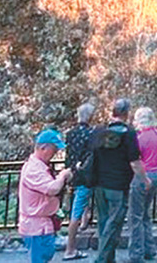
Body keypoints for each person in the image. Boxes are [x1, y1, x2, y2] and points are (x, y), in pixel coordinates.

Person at [92, 99, 149, 263]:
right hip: (118, 185)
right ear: (126, 113)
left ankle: (109, 259)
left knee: (104, 221)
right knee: (114, 224)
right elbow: (134, 161)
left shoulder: (99, 130)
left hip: (99, 185)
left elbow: (91, 153)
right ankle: (102, 259)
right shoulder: (129, 133)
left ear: (112, 112)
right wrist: (144, 179)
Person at [18, 129, 74, 263]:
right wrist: (63, 176)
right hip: (36, 228)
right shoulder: (33, 169)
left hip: (42, 226)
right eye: (54, 149)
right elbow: (52, 189)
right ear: (43, 148)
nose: (55, 153)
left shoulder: (40, 167)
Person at [128, 108, 157, 263]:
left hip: (142, 176)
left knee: (135, 216)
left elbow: (135, 160)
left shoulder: (139, 138)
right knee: (145, 214)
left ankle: (136, 253)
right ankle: (150, 249)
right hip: (156, 173)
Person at [63, 103, 95, 260]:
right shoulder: (91, 133)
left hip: (73, 175)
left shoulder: (70, 133)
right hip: (88, 176)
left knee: (78, 205)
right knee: (75, 213)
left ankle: (85, 220)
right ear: (91, 117)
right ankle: (70, 249)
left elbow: (69, 156)